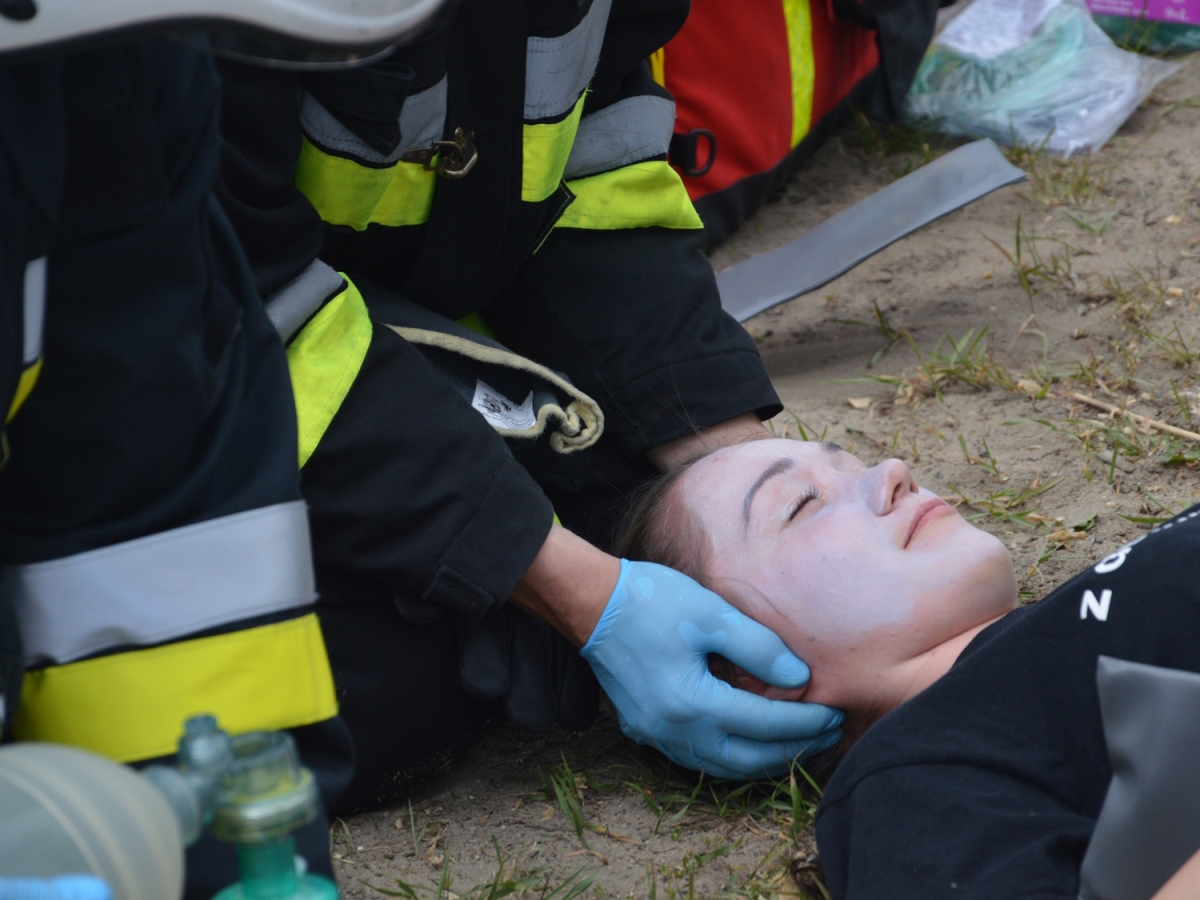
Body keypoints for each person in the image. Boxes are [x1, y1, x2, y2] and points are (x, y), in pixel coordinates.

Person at [214, 0, 843, 815]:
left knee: (609, 485)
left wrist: (718, 452)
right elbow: (219, 303)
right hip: (149, 367)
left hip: (344, 312)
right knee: (380, 688)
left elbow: (595, 158)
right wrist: (570, 588)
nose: (895, 474)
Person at [617, 436, 1200, 899]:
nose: (892, 470)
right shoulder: (917, 782)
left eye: (855, 464)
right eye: (802, 503)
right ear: (748, 672)